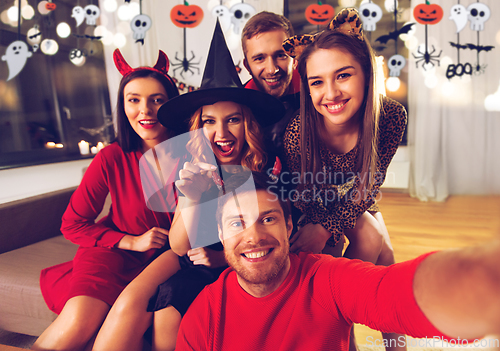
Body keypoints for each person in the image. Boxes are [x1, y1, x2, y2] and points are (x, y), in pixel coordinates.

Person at [92, 20, 285, 351]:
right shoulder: (195, 169)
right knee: (138, 303)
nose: (221, 133)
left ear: (248, 124)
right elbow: (179, 245)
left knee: (176, 296)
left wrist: (222, 260)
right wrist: (193, 197)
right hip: (188, 257)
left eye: (233, 120)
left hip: (235, 262)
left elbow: (274, 239)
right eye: (210, 122)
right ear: (198, 126)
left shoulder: (263, 173)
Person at [175, 171, 500, 350]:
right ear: (220, 234)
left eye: (268, 219)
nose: (254, 236)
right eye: (237, 223)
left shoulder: (326, 279)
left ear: (289, 226)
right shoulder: (202, 318)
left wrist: (483, 282)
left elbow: (399, 294)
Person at [32, 50, 183, 351]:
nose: (146, 110)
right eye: (134, 99)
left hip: (170, 261)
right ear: (122, 105)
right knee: (77, 321)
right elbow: (73, 224)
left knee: (128, 329)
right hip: (114, 254)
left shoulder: (195, 154)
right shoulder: (111, 158)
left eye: (157, 99)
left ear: (172, 104)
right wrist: (130, 241)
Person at [281, 8, 407, 350]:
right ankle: (337, 322)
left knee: (377, 244)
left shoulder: (390, 116)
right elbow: (302, 194)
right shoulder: (299, 130)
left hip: (357, 198)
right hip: (312, 205)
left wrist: (329, 228)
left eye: (343, 76)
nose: (331, 93)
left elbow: (368, 188)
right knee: (378, 247)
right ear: (307, 88)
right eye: (317, 81)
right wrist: (323, 230)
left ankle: (352, 320)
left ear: (366, 74)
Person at [241, 11, 300, 152]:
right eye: (259, 58)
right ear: (247, 66)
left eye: (280, 55)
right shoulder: (239, 109)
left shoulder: (317, 93)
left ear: (295, 59)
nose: (272, 69)